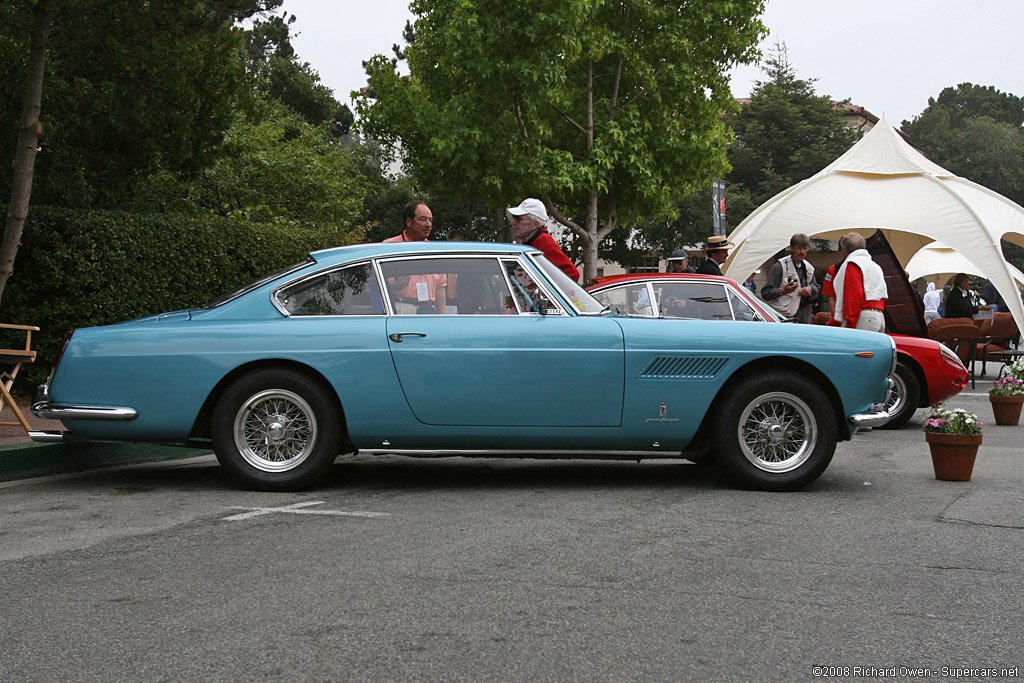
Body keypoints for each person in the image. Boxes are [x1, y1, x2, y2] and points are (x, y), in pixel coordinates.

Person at [383, 200, 446, 313]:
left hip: (428, 310)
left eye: (430, 220)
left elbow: (440, 287)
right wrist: (398, 284)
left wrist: (443, 317)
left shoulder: (435, 251)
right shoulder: (389, 247)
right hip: (402, 308)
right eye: (423, 219)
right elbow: (375, 284)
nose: (428, 225)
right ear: (409, 221)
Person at [507, 198, 580, 282]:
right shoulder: (531, 242)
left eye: (519, 219)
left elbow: (572, 274)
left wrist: (548, 293)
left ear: (535, 224)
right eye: (514, 217)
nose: (513, 222)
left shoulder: (544, 242)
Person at [830, 232, 887, 332]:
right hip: (879, 316)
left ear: (845, 250)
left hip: (863, 318)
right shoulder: (875, 266)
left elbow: (853, 298)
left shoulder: (853, 265)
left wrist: (850, 325)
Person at [761, 233, 820, 324]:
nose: (802, 252)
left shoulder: (809, 268)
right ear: (792, 248)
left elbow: (816, 287)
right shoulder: (780, 266)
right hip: (784, 317)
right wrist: (783, 291)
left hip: (804, 317)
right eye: (799, 248)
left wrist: (811, 289)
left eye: (804, 248)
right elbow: (766, 293)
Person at [819, 236, 849, 316]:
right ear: (839, 251)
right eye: (845, 249)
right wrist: (836, 318)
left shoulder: (862, 267)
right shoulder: (833, 269)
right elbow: (831, 297)